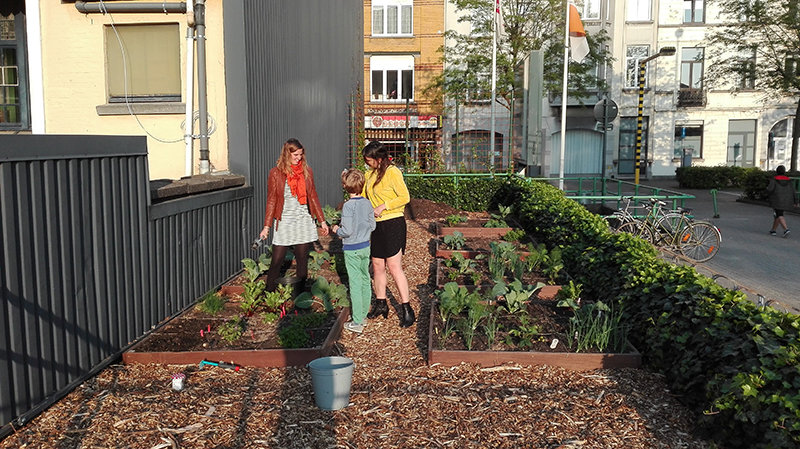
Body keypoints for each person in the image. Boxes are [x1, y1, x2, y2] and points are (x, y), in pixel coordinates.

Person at [259, 138, 329, 291]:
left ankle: (300, 295)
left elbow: (313, 196)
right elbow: (271, 200)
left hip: (303, 219)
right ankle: (269, 292)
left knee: (302, 258)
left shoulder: (307, 171)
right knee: (277, 259)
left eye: (301, 155)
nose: (299, 158)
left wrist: (322, 221)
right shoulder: (275, 173)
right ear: (287, 154)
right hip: (284, 220)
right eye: (295, 155)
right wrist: (266, 226)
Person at [361, 141, 415, 327]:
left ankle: (407, 308)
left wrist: (384, 205)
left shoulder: (393, 172)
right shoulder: (369, 175)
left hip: (393, 223)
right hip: (376, 226)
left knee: (393, 266)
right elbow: (362, 195)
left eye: (369, 160)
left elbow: (404, 197)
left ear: (379, 158)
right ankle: (381, 303)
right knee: (377, 265)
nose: (367, 164)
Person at [331, 169, 376, 334]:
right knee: (365, 279)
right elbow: (373, 225)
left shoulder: (348, 206)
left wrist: (337, 230)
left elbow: (347, 230)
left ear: (345, 186)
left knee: (355, 283)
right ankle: (363, 314)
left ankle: (357, 321)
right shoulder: (367, 203)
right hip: (365, 246)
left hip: (352, 249)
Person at [766, 165, 798, 237]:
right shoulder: (789, 180)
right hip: (787, 200)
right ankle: (773, 230)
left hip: (777, 200)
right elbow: (793, 191)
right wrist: (796, 201)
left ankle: (786, 229)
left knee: (779, 214)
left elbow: (770, 189)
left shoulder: (774, 180)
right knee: (778, 214)